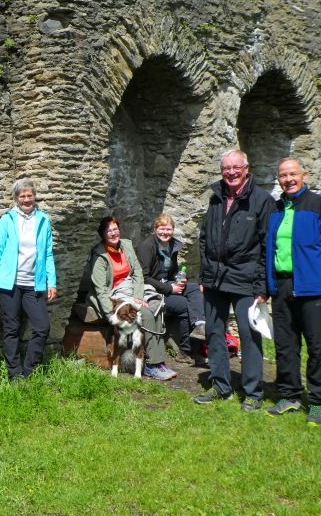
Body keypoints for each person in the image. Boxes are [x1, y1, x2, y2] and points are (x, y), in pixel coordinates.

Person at [265, 157, 321, 426]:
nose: (288, 179)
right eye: (283, 175)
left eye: (292, 174)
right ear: (278, 179)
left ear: (304, 175)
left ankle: (319, 401)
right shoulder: (276, 210)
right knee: (285, 346)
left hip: (312, 289)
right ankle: (289, 395)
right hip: (283, 286)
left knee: (317, 346)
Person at [195, 149, 274, 410]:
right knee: (214, 332)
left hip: (245, 279)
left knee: (249, 336)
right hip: (215, 279)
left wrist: (261, 286)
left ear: (246, 169)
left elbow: (267, 247)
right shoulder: (216, 197)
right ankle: (221, 386)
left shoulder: (262, 200)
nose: (231, 173)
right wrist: (205, 274)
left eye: (235, 168)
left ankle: (253, 392)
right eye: (226, 168)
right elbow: (205, 237)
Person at [83, 216, 177, 381]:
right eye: (109, 231)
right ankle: (152, 365)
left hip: (132, 289)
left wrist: (138, 297)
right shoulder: (99, 255)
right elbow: (101, 290)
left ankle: (159, 361)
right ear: (103, 235)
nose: (113, 233)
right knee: (146, 314)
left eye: (115, 229)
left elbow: (137, 273)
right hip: (115, 294)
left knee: (154, 307)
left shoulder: (126, 245)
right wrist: (111, 314)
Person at [0, 178, 57, 380]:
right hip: (9, 284)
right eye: (22, 196)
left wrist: (51, 282)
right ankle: (14, 374)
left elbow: (48, 254)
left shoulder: (43, 220)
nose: (26, 199)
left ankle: (29, 370)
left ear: (34, 196)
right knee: (11, 329)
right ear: (16, 198)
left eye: (30, 195)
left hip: (33, 284)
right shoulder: (7, 220)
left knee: (42, 327)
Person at [136, 213, 205, 366]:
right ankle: (184, 351)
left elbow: (171, 270)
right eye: (162, 229)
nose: (165, 233)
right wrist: (170, 288)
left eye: (168, 229)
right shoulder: (147, 247)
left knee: (194, 288)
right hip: (153, 290)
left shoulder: (172, 245)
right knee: (184, 305)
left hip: (168, 283)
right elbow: (144, 277)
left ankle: (199, 324)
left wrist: (180, 278)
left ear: (173, 230)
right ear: (155, 229)